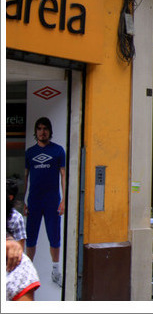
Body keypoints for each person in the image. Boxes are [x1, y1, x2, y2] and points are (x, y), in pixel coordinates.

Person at [24, 116, 66, 287]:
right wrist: (23, 200)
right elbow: (25, 177)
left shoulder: (58, 151)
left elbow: (63, 175)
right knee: (31, 238)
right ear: (36, 132)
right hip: (34, 201)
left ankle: (56, 271)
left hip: (52, 201)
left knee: (54, 237)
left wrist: (63, 200)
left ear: (50, 131)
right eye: (39, 129)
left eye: (45, 129)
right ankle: (28, 273)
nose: (42, 131)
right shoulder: (30, 152)